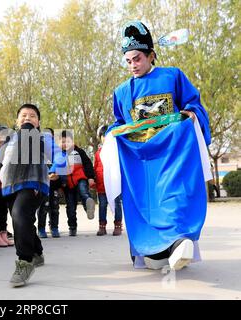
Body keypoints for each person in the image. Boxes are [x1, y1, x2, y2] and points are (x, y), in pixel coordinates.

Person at [101, 21, 212, 271]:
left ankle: (179, 242)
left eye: (137, 59)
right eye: (128, 61)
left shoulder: (173, 75)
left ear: (151, 55)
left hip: (172, 154)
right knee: (143, 203)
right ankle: (153, 250)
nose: (133, 65)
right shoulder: (121, 91)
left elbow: (194, 105)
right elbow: (120, 123)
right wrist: (109, 135)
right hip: (141, 161)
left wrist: (191, 114)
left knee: (174, 197)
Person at [0, 104, 66, 287]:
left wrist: (55, 168)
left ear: (38, 122)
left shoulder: (43, 137)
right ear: (16, 121)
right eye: (23, 115)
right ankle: (37, 252)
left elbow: (60, 156)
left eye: (32, 115)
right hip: (10, 188)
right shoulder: (9, 142)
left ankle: (25, 261)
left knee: (20, 215)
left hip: (35, 185)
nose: (27, 117)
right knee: (23, 220)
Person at [58, 130, 96, 236]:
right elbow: (57, 170)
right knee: (70, 206)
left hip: (80, 178)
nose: (66, 144)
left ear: (73, 141)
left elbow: (88, 164)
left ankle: (88, 207)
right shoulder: (59, 155)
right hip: (67, 184)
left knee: (84, 193)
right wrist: (60, 185)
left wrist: (90, 177)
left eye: (68, 141)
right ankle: (72, 227)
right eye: (63, 142)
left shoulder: (79, 151)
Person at [93, 125, 123, 236]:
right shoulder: (98, 153)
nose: (105, 138)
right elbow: (95, 168)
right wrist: (93, 180)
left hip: (114, 183)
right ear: (100, 137)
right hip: (101, 185)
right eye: (103, 136)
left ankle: (118, 225)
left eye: (107, 135)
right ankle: (102, 226)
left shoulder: (116, 152)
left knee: (117, 204)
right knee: (102, 205)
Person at [36, 128, 65, 239]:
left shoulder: (57, 153)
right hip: (43, 186)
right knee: (43, 208)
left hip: (55, 187)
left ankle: (54, 228)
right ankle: (41, 229)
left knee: (55, 208)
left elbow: (63, 169)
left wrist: (60, 181)